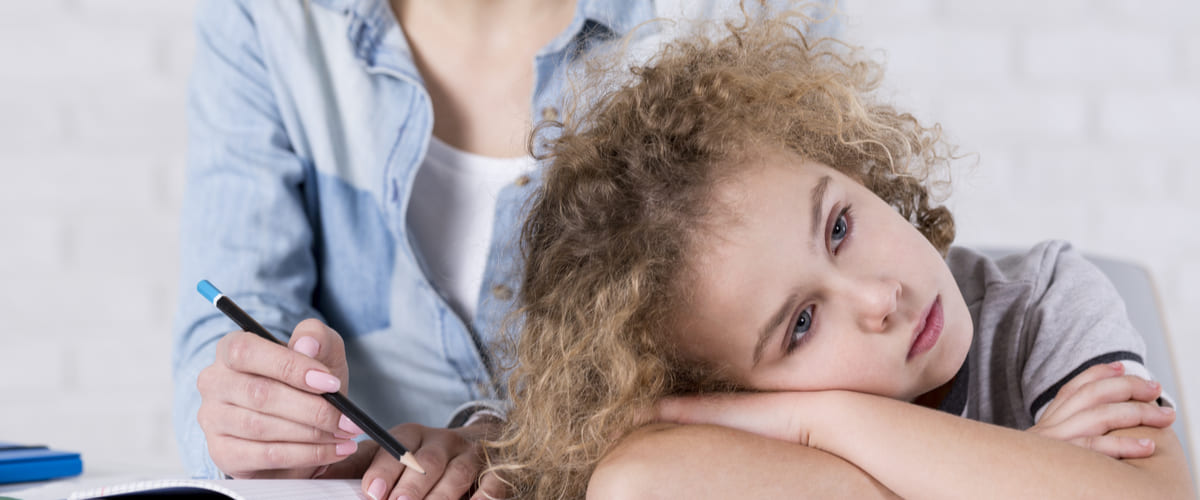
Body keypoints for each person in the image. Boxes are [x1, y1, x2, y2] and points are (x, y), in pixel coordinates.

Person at [485, 6, 1194, 499]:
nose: (880, 298)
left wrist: (822, 425)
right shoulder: (718, 448)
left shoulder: (1043, 301)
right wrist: (1033, 474)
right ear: (729, 399)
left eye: (839, 229)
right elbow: (636, 485)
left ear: (850, 166)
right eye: (800, 325)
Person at [172, 0, 838, 499]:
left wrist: (531, 453)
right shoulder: (267, 17)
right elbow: (233, 316)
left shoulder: (733, 12)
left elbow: (821, 352)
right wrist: (260, 426)